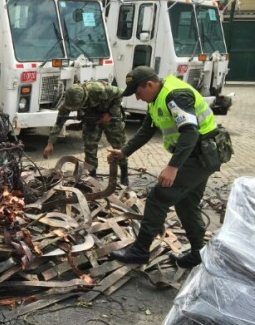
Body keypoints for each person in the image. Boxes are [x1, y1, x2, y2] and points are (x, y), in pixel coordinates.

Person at [107, 66, 221, 268]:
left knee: (158, 197)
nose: (138, 97)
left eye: (138, 92)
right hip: (198, 155)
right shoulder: (156, 99)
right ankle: (198, 253)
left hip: (201, 155)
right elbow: (146, 131)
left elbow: (190, 132)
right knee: (186, 204)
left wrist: (172, 167)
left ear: (149, 84)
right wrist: (124, 151)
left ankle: (140, 251)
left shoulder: (174, 96)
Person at [43, 80, 129, 185]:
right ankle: (92, 178)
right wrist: (50, 143)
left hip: (111, 118)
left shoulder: (98, 89)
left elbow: (121, 92)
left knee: (118, 146)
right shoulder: (70, 101)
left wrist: (109, 113)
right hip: (91, 119)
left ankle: (124, 175)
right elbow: (60, 120)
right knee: (90, 147)